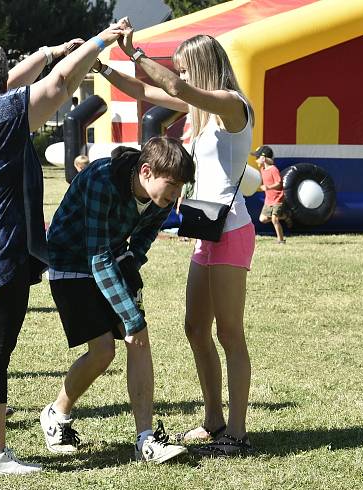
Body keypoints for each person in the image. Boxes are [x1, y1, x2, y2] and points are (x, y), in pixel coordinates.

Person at [0, 25, 125, 478]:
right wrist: (104, 40)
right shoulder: (1, 117)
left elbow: (12, 85)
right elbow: (58, 85)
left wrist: (45, 50)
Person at [100, 27, 256, 455]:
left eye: (186, 66)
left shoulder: (230, 105)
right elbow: (144, 88)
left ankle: (237, 434)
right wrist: (101, 65)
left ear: (202, 67)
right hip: (206, 230)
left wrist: (137, 51)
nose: (180, 73)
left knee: (230, 334)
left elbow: (171, 83)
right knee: (195, 328)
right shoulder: (201, 110)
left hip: (231, 232)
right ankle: (213, 421)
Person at [40, 137, 193, 463]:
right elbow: (96, 257)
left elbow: (144, 236)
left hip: (108, 259)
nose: (176, 196)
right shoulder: (102, 179)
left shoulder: (159, 200)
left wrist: (131, 263)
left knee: (138, 340)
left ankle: (145, 440)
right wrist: (131, 314)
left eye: (181, 188)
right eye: (173, 185)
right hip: (71, 263)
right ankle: (55, 414)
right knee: (103, 351)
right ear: (147, 171)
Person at [254, 145, 288, 244]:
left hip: (277, 198)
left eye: (257, 157)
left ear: (263, 158)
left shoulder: (273, 169)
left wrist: (268, 187)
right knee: (262, 219)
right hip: (269, 200)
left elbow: (279, 184)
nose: (256, 160)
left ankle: (281, 240)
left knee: (274, 219)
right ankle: (285, 217)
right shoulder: (262, 169)